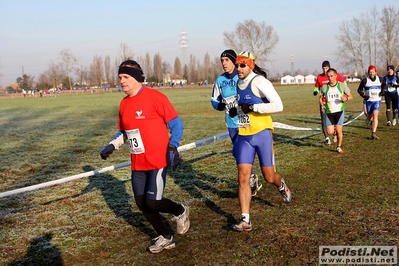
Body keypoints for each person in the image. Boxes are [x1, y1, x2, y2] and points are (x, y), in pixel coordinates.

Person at [100, 60, 189, 254]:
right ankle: (166, 237)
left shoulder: (155, 97)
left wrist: (173, 145)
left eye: (125, 77)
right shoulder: (123, 104)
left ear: (137, 78)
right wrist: (111, 146)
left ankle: (180, 210)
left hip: (157, 161)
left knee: (153, 202)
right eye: (120, 78)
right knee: (142, 204)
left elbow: (176, 124)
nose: (121, 81)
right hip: (137, 164)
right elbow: (124, 132)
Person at [228, 51, 292, 232]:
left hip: (262, 134)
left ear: (251, 65)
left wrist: (254, 107)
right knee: (243, 178)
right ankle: (245, 219)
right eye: (237, 65)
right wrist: (234, 110)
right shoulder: (237, 83)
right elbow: (239, 105)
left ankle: (281, 186)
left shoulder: (260, 82)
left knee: (269, 176)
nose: (238, 68)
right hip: (244, 136)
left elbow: (278, 105)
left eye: (242, 65)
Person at [211, 49, 262, 196]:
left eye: (226, 60)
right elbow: (214, 100)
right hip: (231, 123)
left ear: (234, 61)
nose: (223, 63)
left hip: (246, 120)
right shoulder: (220, 80)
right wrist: (219, 105)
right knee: (238, 153)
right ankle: (252, 178)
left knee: (243, 153)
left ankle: (250, 179)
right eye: (222, 60)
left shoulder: (242, 77)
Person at [319, 68, 353, 154]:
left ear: (336, 76)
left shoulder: (341, 86)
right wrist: (322, 105)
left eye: (331, 76)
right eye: (328, 76)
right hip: (329, 112)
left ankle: (339, 147)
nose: (330, 78)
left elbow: (350, 96)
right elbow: (320, 98)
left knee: (339, 130)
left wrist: (346, 98)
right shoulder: (324, 87)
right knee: (330, 132)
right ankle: (334, 134)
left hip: (339, 111)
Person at [313, 61, 346, 145]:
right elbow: (317, 87)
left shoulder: (335, 75)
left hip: (335, 103)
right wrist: (315, 91)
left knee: (334, 121)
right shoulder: (319, 77)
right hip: (323, 103)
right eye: (323, 68)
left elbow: (343, 84)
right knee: (323, 120)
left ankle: (335, 132)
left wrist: (344, 93)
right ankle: (327, 138)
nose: (325, 70)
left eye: (326, 68)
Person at [357, 65, 386, 140]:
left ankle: (373, 133)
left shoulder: (380, 79)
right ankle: (369, 119)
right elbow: (359, 90)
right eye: (370, 72)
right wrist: (363, 95)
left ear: (375, 72)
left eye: (373, 72)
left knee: (375, 115)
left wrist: (383, 92)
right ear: (368, 73)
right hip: (368, 101)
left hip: (376, 100)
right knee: (369, 116)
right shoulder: (365, 81)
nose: (371, 73)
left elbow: (385, 86)